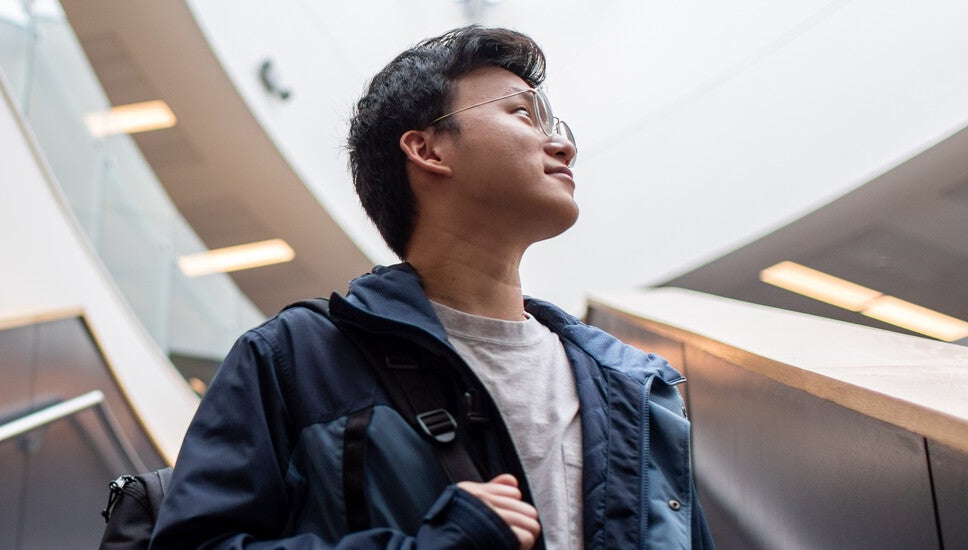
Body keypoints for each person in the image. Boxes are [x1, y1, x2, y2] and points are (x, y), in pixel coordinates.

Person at [149, 26, 712, 549]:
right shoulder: (295, 357)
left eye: (555, 129)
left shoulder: (637, 388)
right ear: (426, 149)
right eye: (521, 114)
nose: (562, 147)